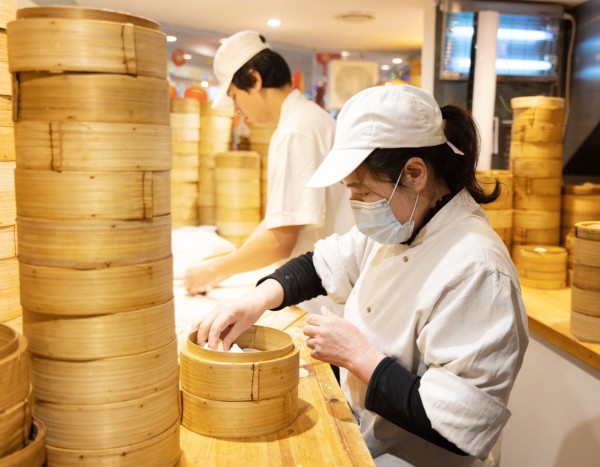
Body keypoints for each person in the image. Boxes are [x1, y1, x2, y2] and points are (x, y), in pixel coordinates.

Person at [193, 84, 528, 466]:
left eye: (363, 192)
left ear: (414, 173)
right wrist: (253, 302)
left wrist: (358, 355)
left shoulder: (477, 271)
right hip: (367, 440)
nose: (357, 205)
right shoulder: (404, 221)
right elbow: (319, 264)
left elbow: (459, 424)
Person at [184, 30, 353, 313]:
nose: (237, 110)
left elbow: (280, 242)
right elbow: (278, 220)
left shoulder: (296, 131)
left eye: (235, 97)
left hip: (323, 297)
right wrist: (227, 266)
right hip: (323, 285)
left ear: (255, 79)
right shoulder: (305, 120)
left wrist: (211, 271)